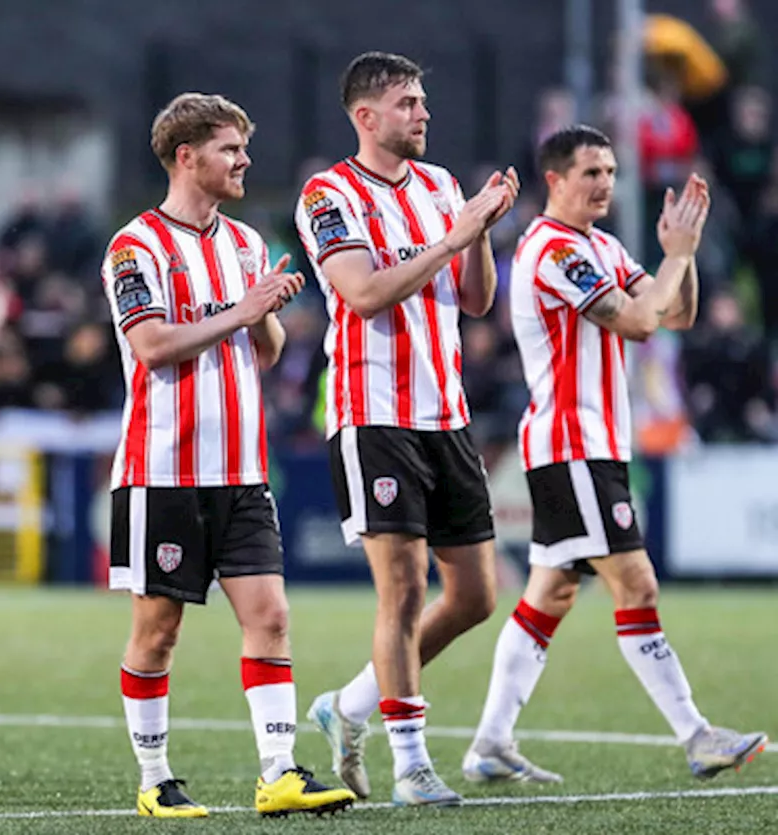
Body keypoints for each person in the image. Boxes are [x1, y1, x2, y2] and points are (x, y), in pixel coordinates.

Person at [462, 124, 768, 784]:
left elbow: (673, 314)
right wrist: (675, 260)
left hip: (591, 445)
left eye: (610, 171)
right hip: (572, 444)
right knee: (638, 583)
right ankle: (696, 733)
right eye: (592, 172)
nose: (606, 183)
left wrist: (677, 255)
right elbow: (635, 321)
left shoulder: (599, 245)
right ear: (557, 179)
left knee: (552, 591)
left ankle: (489, 739)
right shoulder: (551, 250)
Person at [104, 92, 354, 819]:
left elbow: (265, 352)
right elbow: (149, 346)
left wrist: (268, 309)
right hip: (162, 473)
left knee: (271, 614)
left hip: (243, 471)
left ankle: (278, 769)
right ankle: (155, 778)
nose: (245, 161)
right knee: (158, 630)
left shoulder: (246, 243)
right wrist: (242, 310)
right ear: (187, 157)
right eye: (230, 150)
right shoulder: (134, 246)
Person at [293, 51, 520, 807]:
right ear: (366, 117)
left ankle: (349, 705)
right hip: (374, 412)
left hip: (445, 414)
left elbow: (479, 300)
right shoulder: (330, 194)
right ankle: (411, 763)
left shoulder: (441, 186)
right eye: (408, 103)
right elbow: (360, 294)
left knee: (477, 596)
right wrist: (453, 238)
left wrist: (479, 229)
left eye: (424, 101)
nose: (424, 114)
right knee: (400, 590)